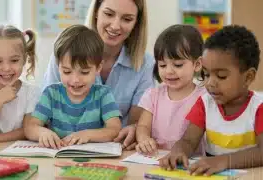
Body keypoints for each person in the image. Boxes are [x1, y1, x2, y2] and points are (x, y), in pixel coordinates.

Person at [42, 0, 155, 150]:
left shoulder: (145, 64)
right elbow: (45, 114)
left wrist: (136, 129)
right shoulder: (66, 53)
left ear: (136, 23)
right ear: (96, 12)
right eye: (108, 14)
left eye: (127, 19)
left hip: (116, 150)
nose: (115, 26)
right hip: (63, 148)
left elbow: (135, 123)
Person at [159, 25, 263, 176]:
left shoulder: (258, 108)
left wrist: (223, 161)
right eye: (206, 74)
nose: (210, 83)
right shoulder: (205, 103)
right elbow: (189, 140)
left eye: (221, 76)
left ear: (248, 77)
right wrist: (178, 151)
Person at [24, 25, 122, 149]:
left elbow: (114, 129)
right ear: (58, 66)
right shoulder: (51, 94)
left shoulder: (103, 94)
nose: (75, 80)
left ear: (98, 67)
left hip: (92, 159)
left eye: (84, 72)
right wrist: (42, 132)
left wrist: (88, 135)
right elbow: (30, 127)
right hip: (57, 157)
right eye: (67, 72)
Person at [135, 24, 206, 155]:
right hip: (156, 159)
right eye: (162, 65)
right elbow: (143, 126)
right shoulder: (153, 95)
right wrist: (144, 139)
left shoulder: (204, 97)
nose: (168, 71)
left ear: (197, 64)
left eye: (178, 65)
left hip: (189, 163)